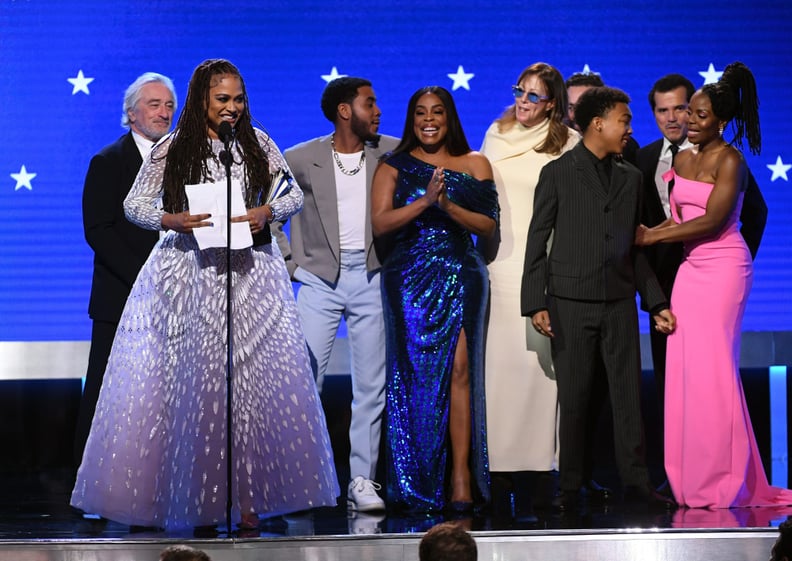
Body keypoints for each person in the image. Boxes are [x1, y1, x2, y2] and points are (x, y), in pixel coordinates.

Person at [70, 59, 339, 530]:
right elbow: (134, 205)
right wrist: (170, 220)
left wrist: (267, 211)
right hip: (190, 274)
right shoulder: (174, 147)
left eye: (238, 99)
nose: (232, 108)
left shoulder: (258, 142)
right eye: (222, 100)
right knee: (196, 388)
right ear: (202, 100)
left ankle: (250, 500)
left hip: (250, 277)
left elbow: (293, 194)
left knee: (250, 387)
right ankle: (197, 501)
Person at [635, 62, 792, 509]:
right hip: (690, 271)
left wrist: (651, 235)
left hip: (724, 271)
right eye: (690, 114)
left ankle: (726, 482)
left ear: (721, 120)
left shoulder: (731, 161)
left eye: (699, 115)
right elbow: (679, 217)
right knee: (687, 374)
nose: (689, 121)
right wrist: (655, 230)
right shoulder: (683, 157)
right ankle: (690, 480)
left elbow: (714, 220)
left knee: (717, 373)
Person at [521, 86, 676, 511]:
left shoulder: (630, 177)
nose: (629, 129)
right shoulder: (558, 173)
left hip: (619, 301)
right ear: (598, 124)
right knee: (575, 397)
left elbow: (635, 248)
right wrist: (536, 301)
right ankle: (570, 486)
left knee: (628, 396)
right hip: (570, 301)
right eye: (624, 121)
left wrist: (656, 302)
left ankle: (637, 485)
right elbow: (537, 243)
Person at [371, 86, 498, 512]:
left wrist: (446, 205)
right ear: (411, 120)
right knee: (416, 380)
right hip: (408, 277)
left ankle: (461, 476)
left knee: (461, 370)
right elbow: (382, 223)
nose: (429, 119)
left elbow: (486, 225)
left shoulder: (474, 163)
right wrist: (426, 201)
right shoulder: (393, 166)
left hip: (461, 272)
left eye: (438, 112)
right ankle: (419, 480)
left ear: (450, 118)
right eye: (421, 113)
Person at [275, 77, 398, 512]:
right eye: (371, 102)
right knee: (304, 382)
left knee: (371, 386)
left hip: (371, 275)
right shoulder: (301, 158)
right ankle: (296, 480)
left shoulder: (390, 151)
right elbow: (269, 212)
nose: (378, 110)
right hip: (319, 281)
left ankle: (362, 479)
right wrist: (292, 265)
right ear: (345, 110)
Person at [478, 62, 578, 514]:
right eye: (519, 90)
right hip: (498, 266)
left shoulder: (567, 144)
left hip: (543, 270)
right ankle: (496, 477)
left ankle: (540, 476)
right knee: (498, 376)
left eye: (533, 96)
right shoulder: (495, 132)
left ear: (553, 102)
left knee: (540, 377)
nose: (522, 101)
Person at [74, 72, 176, 465]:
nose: (164, 113)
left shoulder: (181, 161)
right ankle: (89, 482)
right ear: (131, 114)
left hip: (173, 298)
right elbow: (98, 230)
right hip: (121, 296)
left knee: (162, 394)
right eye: (154, 105)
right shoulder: (108, 161)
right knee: (104, 390)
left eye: (169, 105)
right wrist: (143, 277)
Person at [566, 72, 638, 165]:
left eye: (585, 107)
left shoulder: (626, 146)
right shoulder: (554, 145)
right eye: (571, 107)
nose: (575, 115)